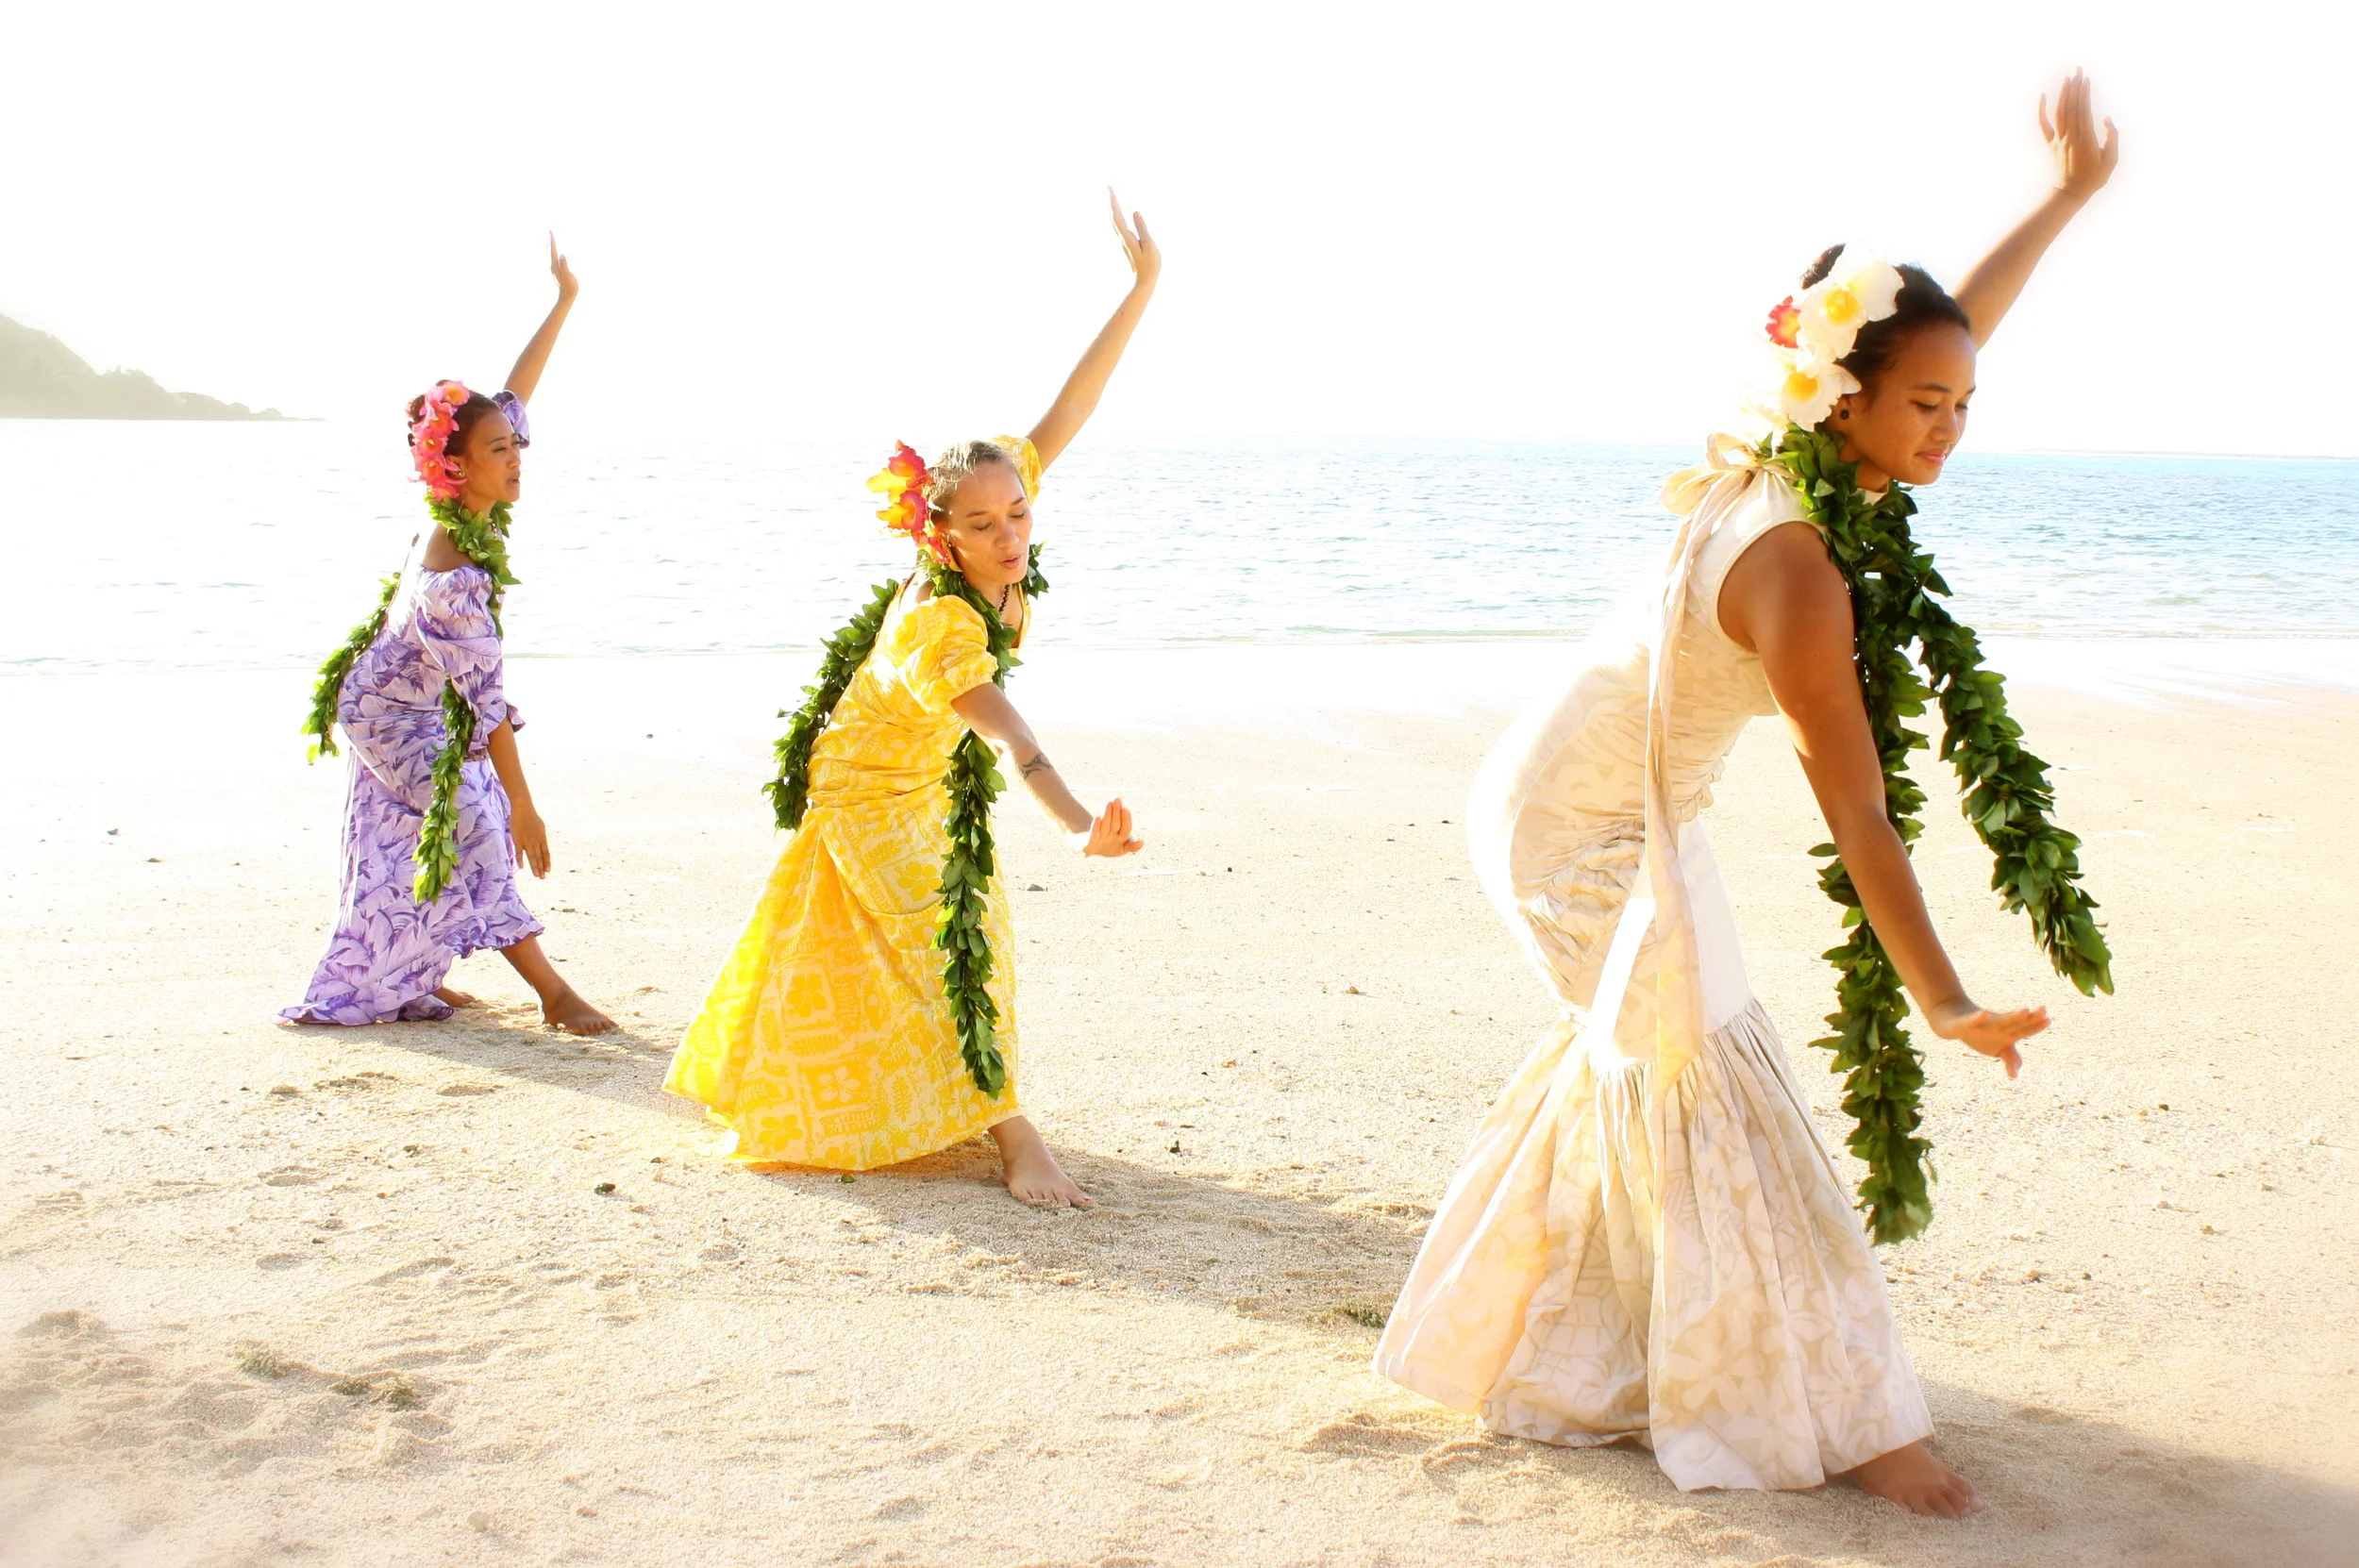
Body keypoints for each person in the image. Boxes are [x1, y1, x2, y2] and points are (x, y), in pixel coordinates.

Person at [1372, 75, 2118, 1515]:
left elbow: (1935, 331)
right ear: (1848, 395)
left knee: (1671, 1077)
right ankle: (1845, 1420)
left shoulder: (1813, 446)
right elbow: (1857, 814)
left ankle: (1576, 1340)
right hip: (1583, 829)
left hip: (1592, 788)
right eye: (1925, 406)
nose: (1949, 429)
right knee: (1721, 1092)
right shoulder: (1798, 565)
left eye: (1967, 405)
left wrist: (2067, 198)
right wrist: (1944, 999)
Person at [665, 194, 1161, 1208]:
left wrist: (1142, 286)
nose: (1009, 534)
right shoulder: (943, 623)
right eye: (981, 524)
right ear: (942, 537)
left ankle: (760, 1079)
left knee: (852, 937)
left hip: (915, 762)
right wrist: (1074, 827)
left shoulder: (1006, 506)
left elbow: (1073, 407)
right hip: (864, 780)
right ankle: (1017, 1139)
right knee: (951, 944)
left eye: (1017, 512)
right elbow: (1010, 733)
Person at [284, 238, 613, 1037]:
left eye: (516, 444)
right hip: (388, 713)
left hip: (402, 698)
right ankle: (554, 992)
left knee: (407, 842)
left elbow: (516, 391)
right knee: (476, 815)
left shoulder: (477, 509)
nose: (516, 458)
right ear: (456, 468)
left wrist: (564, 299)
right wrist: (525, 807)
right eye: (499, 450)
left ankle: (399, 974)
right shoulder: (457, 578)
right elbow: (487, 706)